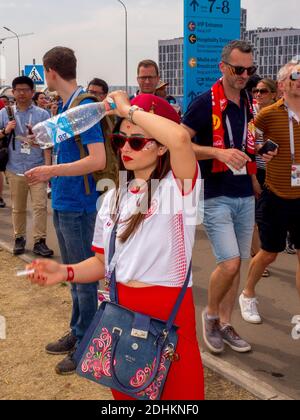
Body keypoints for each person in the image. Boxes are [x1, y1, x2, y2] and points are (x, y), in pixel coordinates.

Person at [25, 91, 205, 401]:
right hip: (120, 315)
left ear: (161, 147)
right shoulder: (112, 197)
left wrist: (127, 110)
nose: (125, 148)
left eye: (137, 141)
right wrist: (62, 272)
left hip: (169, 314)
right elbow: (101, 263)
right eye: (119, 140)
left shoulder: (180, 190)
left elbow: (179, 138)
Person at [182, 40, 274, 355]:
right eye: (239, 69)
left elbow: (247, 143)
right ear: (223, 67)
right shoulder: (203, 103)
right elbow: (180, 144)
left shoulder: (249, 100)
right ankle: (209, 316)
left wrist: (261, 152)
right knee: (231, 262)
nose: (245, 75)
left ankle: (225, 322)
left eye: (250, 69)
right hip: (215, 193)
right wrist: (216, 151)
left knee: (238, 263)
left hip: (244, 194)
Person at [25, 47, 106, 375]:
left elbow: (97, 159)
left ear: (50, 72)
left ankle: (87, 341)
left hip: (79, 204)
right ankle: (77, 330)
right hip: (66, 201)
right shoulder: (70, 105)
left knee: (83, 279)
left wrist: (51, 172)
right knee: (73, 276)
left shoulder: (84, 107)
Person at [239, 60, 300, 324]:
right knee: (269, 253)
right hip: (275, 195)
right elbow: (250, 149)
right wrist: (264, 155)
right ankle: (247, 293)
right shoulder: (266, 115)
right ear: (284, 84)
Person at [0, 76, 53, 256]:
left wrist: (48, 168)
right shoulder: (4, 113)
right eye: (18, 90)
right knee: (18, 207)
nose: (22, 93)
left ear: (32, 92)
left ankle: (40, 241)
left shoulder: (42, 114)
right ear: (13, 92)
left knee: (40, 206)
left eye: (25, 90)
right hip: (14, 167)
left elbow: (48, 143)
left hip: (37, 167)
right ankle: (19, 238)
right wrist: (5, 130)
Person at [251, 79, 278, 277]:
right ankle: (259, 259)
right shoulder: (250, 116)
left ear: (273, 94)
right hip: (257, 172)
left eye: (263, 91)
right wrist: (252, 176)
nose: (258, 95)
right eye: (256, 91)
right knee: (256, 218)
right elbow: (248, 149)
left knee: (271, 217)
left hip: (278, 173)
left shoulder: (282, 116)